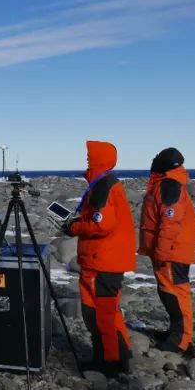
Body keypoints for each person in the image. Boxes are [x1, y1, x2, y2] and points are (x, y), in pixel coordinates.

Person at [62, 140, 137, 377]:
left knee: (100, 314)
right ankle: (118, 357)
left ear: (99, 159)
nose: (86, 159)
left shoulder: (103, 185)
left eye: (90, 155)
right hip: (106, 258)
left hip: (102, 260)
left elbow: (101, 224)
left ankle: (109, 364)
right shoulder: (106, 183)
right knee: (108, 311)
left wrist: (74, 228)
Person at [138, 147, 195, 353]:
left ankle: (181, 340)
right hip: (170, 251)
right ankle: (176, 331)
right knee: (169, 292)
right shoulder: (167, 183)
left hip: (172, 253)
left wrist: (162, 252)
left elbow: (170, 220)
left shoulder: (169, 185)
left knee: (175, 293)